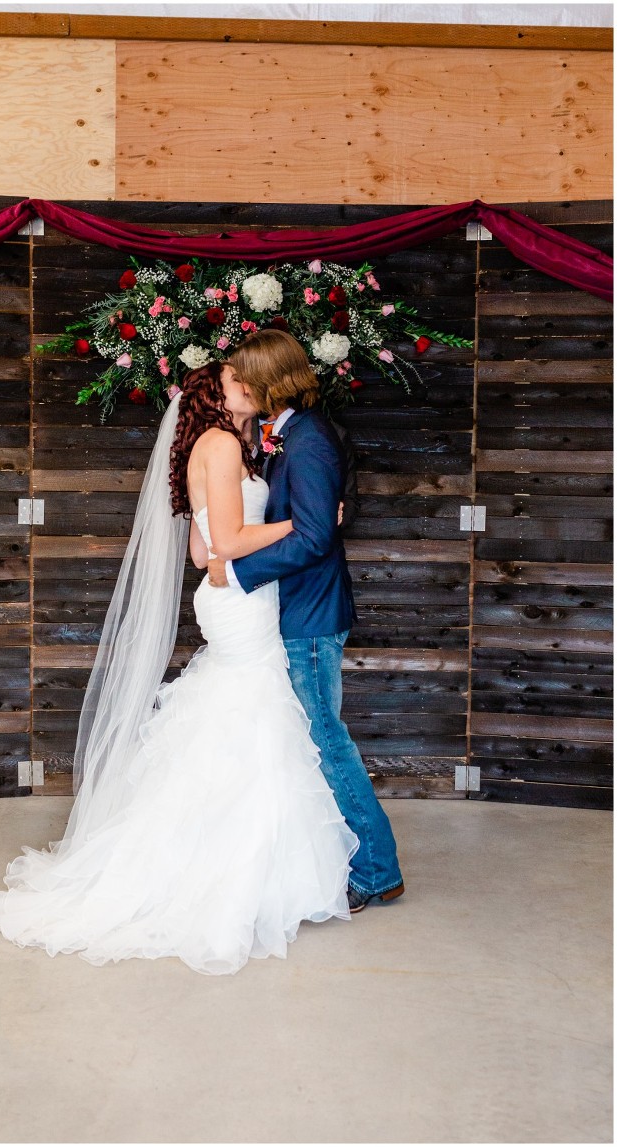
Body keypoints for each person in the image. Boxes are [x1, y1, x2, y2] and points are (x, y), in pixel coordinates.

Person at [0, 362, 358, 976]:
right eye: (238, 380)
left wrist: (236, 551)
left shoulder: (233, 446)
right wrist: (309, 523)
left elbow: (199, 548)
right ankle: (241, 871)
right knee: (259, 709)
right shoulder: (217, 444)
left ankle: (244, 861)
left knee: (241, 711)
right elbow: (228, 545)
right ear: (218, 396)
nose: (249, 386)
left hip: (238, 593)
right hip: (242, 595)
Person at [207, 329, 404, 913]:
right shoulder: (283, 436)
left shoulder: (310, 438)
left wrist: (238, 574)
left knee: (324, 742)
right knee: (311, 740)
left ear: (263, 383)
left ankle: (376, 871)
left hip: (311, 615)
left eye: (237, 377)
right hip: (294, 610)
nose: (229, 384)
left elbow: (317, 536)